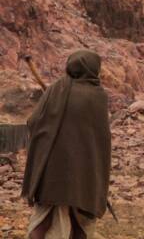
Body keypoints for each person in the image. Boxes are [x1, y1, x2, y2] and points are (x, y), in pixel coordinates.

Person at [22, 50, 112, 239]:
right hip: (84, 172)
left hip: (51, 171)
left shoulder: (56, 89)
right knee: (80, 222)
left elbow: (33, 122)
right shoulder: (97, 96)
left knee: (43, 221)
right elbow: (100, 141)